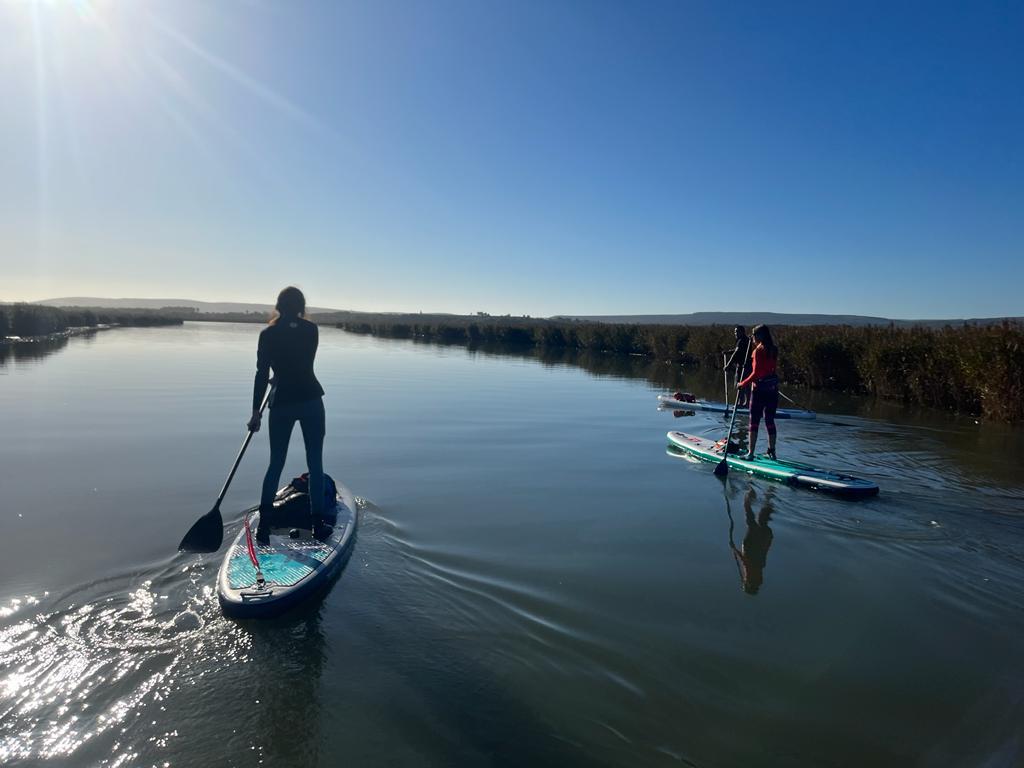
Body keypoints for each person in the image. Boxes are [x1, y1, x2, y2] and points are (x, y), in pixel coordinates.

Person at [248, 286, 327, 542]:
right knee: (315, 463)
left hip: (281, 403)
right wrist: (282, 374)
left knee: (276, 463)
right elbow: (303, 362)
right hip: (311, 400)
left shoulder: (267, 334)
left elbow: (262, 373)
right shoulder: (311, 330)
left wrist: (255, 412)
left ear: (278, 306)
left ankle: (264, 526)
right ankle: (318, 524)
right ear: (302, 307)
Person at [736, 324, 779, 460]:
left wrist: (742, 384)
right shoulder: (774, 349)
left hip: (759, 390)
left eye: (754, 335)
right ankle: (771, 451)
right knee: (769, 421)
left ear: (760, 336)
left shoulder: (758, 351)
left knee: (754, 422)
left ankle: (750, 454)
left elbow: (756, 373)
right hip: (773, 390)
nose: (752, 338)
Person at [723, 326, 753, 408]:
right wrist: (728, 352)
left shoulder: (742, 341)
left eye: (736, 332)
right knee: (746, 384)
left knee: (740, 384)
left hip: (743, 366)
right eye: (735, 332)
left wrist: (728, 365)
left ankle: (740, 403)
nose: (735, 333)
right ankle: (746, 403)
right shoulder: (746, 340)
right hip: (748, 366)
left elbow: (736, 354)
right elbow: (737, 350)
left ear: (742, 332)